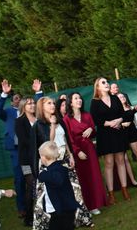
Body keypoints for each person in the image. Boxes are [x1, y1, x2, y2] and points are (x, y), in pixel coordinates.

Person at [30, 97, 93, 229]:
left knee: (74, 190)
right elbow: (49, 144)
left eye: (53, 103)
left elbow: (65, 139)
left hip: (64, 159)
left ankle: (80, 218)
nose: (53, 105)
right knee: (51, 194)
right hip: (50, 161)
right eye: (49, 103)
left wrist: (71, 156)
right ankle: (49, 222)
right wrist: (52, 125)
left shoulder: (60, 121)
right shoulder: (39, 125)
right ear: (42, 107)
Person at [0, 79, 42, 219]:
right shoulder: (8, 112)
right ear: (11, 101)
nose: (17, 100)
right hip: (17, 151)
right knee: (20, 180)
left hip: (34, 150)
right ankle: (22, 208)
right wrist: (4, 93)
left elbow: (41, 107)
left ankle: (40, 206)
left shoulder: (32, 113)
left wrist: (38, 92)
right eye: (15, 98)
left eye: (20, 98)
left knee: (36, 178)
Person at [63, 92, 106, 216]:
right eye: (76, 98)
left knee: (93, 175)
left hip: (89, 149)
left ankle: (94, 204)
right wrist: (77, 151)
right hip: (77, 151)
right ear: (70, 103)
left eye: (80, 98)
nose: (79, 100)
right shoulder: (66, 119)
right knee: (81, 179)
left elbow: (93, 130)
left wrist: (91, 129)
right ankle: (84, 206)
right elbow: (68, 138)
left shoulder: (87, 115)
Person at [89, 77, 129, 204]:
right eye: (103, 83)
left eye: (107, 82)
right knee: (109, 163)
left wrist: (118, 121)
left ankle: (124, 189)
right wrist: (110, 123)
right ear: (98, 87)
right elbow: (95, 119)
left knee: (121, 160)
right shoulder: (94, 102)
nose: (107, 84)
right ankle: (111, 193)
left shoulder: (115, 98)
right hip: (105, 135)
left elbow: (123, 114)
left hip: (118, 133)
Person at [38, 141, 79, 230]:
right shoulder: (52, 169)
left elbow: (58, 180)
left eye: (40, 156)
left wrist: (43, 174)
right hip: (58, 209)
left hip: (64, 209)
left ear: (44, 158)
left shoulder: (59, 169)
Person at [15, 97, 37, 227]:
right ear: (23, 106)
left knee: (39, 186)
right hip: (26, 160)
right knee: (32, 185)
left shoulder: (38, 119)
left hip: (40, 158)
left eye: (33, 103)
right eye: (29, 104)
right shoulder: (19, 121)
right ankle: (28, 217)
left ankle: (41, 212)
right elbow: (23, 140)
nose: (32, 105)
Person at [116, 93, 137, 179]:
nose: (122, 98)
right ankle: (128, 174)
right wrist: (122, 123)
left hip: (132, 131)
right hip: (121, 133)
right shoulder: (116, 110)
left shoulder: (131, 107)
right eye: (119, 97)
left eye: (123, 96)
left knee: (136, 151)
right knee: (124, 155)